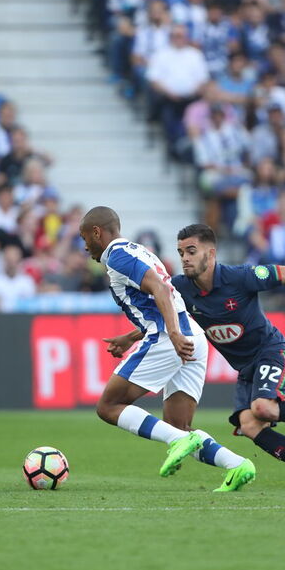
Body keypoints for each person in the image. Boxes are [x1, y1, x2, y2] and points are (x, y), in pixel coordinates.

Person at [108, 223, 285, 487]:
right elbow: (169, 320)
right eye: (181, 253)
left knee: (263, 408)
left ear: (211, 253)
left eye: (191, 251)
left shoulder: (240, 277)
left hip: (272, 352)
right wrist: (129, 337)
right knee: (249, 424)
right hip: (246, 369)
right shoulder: (180, 288)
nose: (185, 259)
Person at [78, 206, 255, 491]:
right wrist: (132, 336)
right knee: (178, 426)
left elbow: (160, 289)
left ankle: (179, 441)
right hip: (193, 338)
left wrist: (171, 334)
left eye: (85, 237)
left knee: (108, 406)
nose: (85, 246)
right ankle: (236, 464)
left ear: (97, 232)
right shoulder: (137, 250)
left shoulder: (117, 255)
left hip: (170, 338)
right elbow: (164, 296)